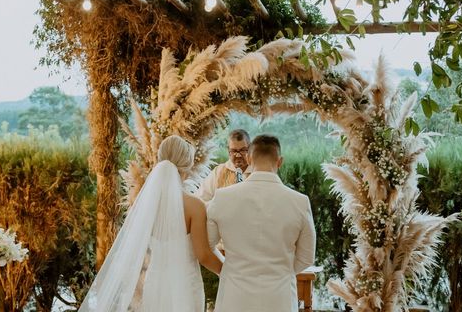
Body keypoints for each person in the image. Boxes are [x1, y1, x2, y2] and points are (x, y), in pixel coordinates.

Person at [79, 135, 223, 312]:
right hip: (185, 283)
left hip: (155, 282)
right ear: (187, 166)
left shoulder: (145, 205)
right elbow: (203, 255)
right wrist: (228, 273)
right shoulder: (194, 206)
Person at [207, 134, 316, 312]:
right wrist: (280, 272)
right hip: (279, 297)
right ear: (280, 161)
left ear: (249, 158)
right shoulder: (300, 202)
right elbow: (306, 258)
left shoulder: (223, 197)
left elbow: (207, 245)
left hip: (234, 295)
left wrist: (228, 270)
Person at [197, 129, 252, 202]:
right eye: (234, 151)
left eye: (243, 150)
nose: (238, 155)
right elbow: (202, 198)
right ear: (228, 150)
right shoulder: (218, 172)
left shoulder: (257, 171)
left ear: (250, 149)